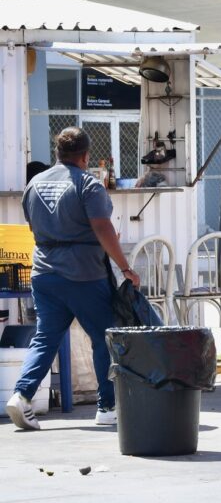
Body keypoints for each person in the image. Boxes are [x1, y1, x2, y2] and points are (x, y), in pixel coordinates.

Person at [6, 128, 140, 431]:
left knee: (45, 338)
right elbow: (103, 228)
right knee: (103, 336)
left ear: (58, 152)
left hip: (43, 273)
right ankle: (107, 407)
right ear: (85, 155)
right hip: (83, 275)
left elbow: (35, 228)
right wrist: (125, 268)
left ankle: (22, 395)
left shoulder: (34, 184)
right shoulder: (88, 185)